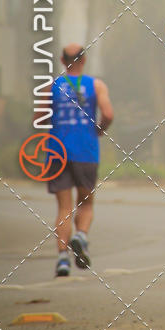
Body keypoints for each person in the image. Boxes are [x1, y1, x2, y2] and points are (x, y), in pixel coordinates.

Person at [43, 44, 114, 277]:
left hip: (57, 151)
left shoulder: (52, 86)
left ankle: (63, 259)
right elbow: (108, 114)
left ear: (62, 61)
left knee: (64, 207)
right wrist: (99, 130)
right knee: (86, 203)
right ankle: (81, 236)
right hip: (86, 151)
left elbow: (39, 117)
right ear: (83, 60)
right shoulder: (96, 85)